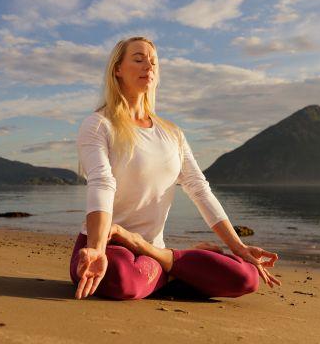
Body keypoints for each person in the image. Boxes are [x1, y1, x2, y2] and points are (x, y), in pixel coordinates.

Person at [70, 36, 281, 300]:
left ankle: (162, 260)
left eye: (154, 62)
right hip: (107, 245)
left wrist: (238, 247)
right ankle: (176, 267)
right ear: (117, 69)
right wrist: (97, 249)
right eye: (138, 59)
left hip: (150, 249)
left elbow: (199, 189)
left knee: (246, 277)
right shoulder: (99, 125)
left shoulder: (172, 134)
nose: (149, 65)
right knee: (120, 279)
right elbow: (102, 182)